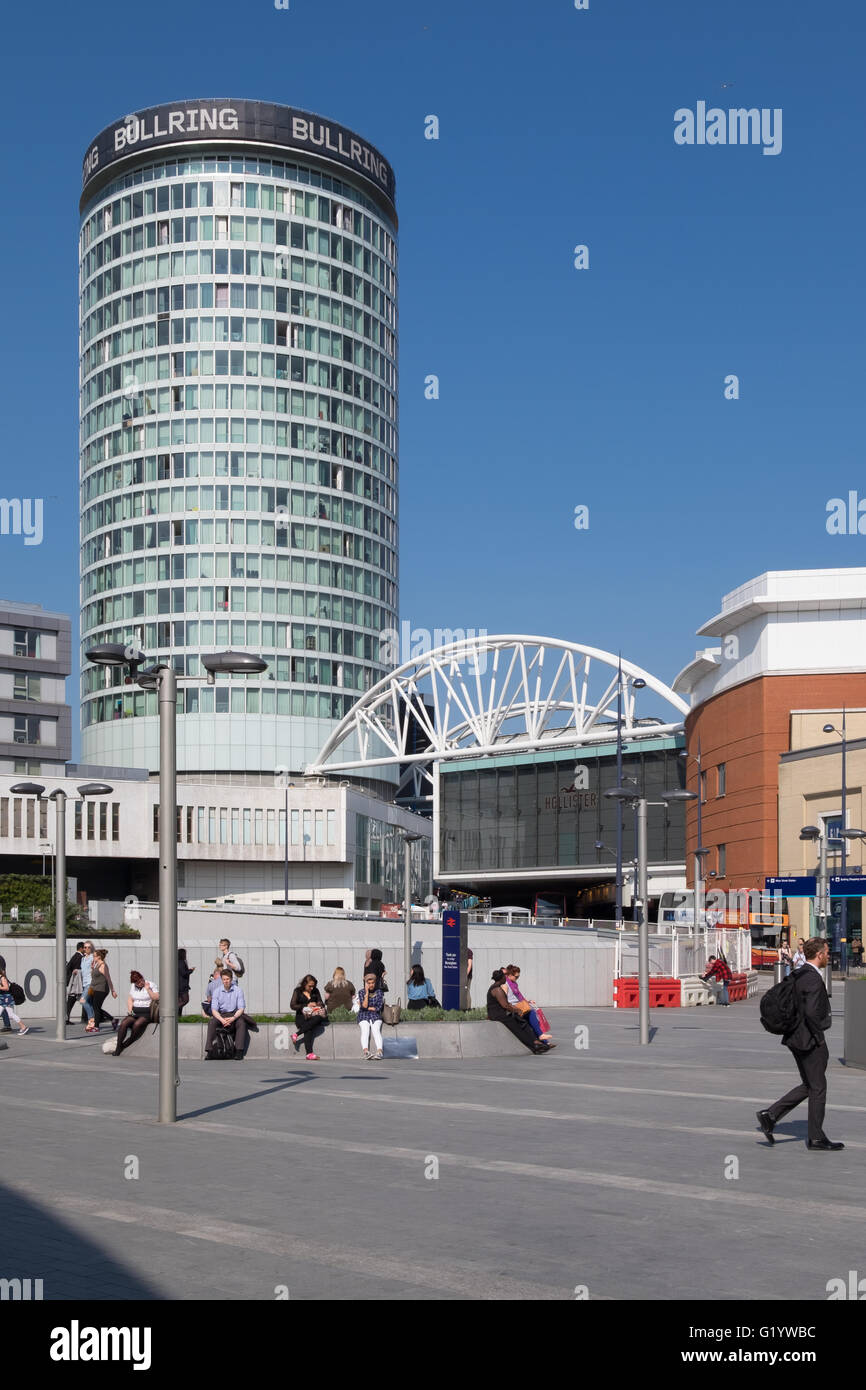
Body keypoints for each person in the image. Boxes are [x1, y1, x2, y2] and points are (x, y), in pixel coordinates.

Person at [757, 937, 843, 1151]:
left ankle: (771, 1115)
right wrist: (819, 1038)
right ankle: (816, 1138)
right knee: (818, 1087)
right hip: (808, 1040)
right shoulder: (813, 978)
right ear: (820, 954)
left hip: (795, 1037)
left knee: (809, 1084)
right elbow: (812, 1012)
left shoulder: (799, 972)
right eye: (827, 952)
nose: (828, 955)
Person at [487, 970, 550, 1054]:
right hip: (498, 1015)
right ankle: (534, 1046)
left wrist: (517, 1010)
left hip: (500, 1013)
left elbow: (507, 1004)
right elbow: (505, 1005)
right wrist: (516, 1010)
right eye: (504, 977)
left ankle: (535, 1042)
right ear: (502, 978)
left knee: (522, 1021)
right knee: (516, 1026)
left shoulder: (497, 987)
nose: (505, 978)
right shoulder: (497, 990)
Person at [205, 969, 248, 1060]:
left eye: (227, 979)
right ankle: (210, 1051)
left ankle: (239, 1051)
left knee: (241, 1023)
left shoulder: (238, 990)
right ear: (221, 979)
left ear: (231, 979)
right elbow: (214, 1010)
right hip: (221, 1015)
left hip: (234, 1014)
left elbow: (241, 1008)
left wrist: (233, 1018)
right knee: (212, 1023)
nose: (226, 981)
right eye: (224, 979)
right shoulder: (217, 991)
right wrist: (222, 1020)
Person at [503, 964, 553, 1042]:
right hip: (513, 1007)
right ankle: (542, 1038)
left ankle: (544, 1040)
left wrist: (527, 1002)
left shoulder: (514, 984)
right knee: (531, 1013)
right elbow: (505, 999)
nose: (517, 978)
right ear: (509, 975)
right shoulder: (505, 984)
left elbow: (519, 996)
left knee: (533, 1014)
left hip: (518, 1005)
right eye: (516, 977)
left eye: (518, 977)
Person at [114, 972, 158, 1056]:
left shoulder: (151, 984)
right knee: (124, 1023)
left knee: (137, 1024)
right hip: (135, 1012)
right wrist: (130, 1010)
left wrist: (148, 989)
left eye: (141, 981)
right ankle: (118, 1046)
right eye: (137, 983)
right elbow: (130, 999)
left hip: (147, 1012)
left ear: (142, 978)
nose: (140, 983)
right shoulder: (133, 986)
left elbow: (156, 997)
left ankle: (128, 1042)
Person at [290, 974, 328, 1059]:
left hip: (313, 1016)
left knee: (318, 1018)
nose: (312, 988)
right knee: (308, 1027)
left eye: (313, 986)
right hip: (301, 1017)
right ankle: (309, 1054)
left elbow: (321, 1003)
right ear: (304, 984)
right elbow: (292, 1005)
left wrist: (317, 1004)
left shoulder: (315, 991)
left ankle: (296, 1034)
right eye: (310, 986)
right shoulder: (297, 991)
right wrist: (306, 1005)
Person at [88, 949, 118, 1030]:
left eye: (94, 956)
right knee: (95, 1007)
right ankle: (113, 1019)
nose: (93, 957)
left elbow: (108, 979)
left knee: (96, 1007)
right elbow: (95, 977)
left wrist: (113, 991)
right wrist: (92, 968)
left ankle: (96, 1027)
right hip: (94, 988)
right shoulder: (96, 964)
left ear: (99, 957)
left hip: (101, 989)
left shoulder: (103, 966)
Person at [357, 971, 385, 1059]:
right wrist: (367, 993)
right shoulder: (361, 992)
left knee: (376, 1030)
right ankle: (366, 1052)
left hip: (375, 1015)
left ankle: (379, 1052)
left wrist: (369, 1008)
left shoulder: (379, 992)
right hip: (363, 1015)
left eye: (372, 983)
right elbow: (364, 1006)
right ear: (365, 983)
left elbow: (379, 1007)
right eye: (368, 983)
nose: (371, 985)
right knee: (365, 1030)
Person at [0, 968, 28, 1035]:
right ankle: (23, 1027)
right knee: (10, 1014)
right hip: (3, 999)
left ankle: (23, 1027)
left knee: (11, 1014)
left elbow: (6, 988)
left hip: (7, 999)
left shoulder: (2, 978)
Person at [65, 942, 85, 1025]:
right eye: (85, 948)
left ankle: (66, 1018)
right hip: (77, 984)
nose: (86, 949)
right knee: (86, 1001)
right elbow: (76, 970)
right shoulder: (79, 957)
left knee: (71, 1002)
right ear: (80, 948)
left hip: (75, 984)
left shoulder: (76, 956)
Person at [178, 948, 195, 1014]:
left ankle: (178, 1016)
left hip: (179, 985)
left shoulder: (176, 961)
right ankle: (175, 1009)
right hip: (182, 985)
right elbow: (184, 973)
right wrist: (191, 970)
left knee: (180, 1000)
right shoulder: (181, 962)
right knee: (185, 1000)